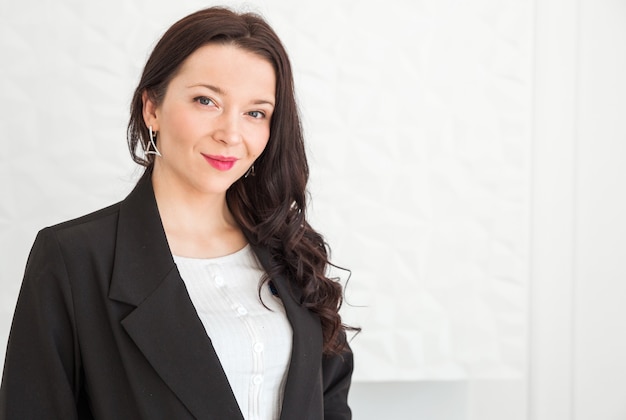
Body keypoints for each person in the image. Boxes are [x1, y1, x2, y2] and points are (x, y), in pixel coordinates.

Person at [0, 6, 355, 419]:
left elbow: (328, 399)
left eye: (255, 112)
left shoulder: (289, 248)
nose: (230, 133)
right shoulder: (74, 258)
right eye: (206, 101)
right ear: (152, 108)